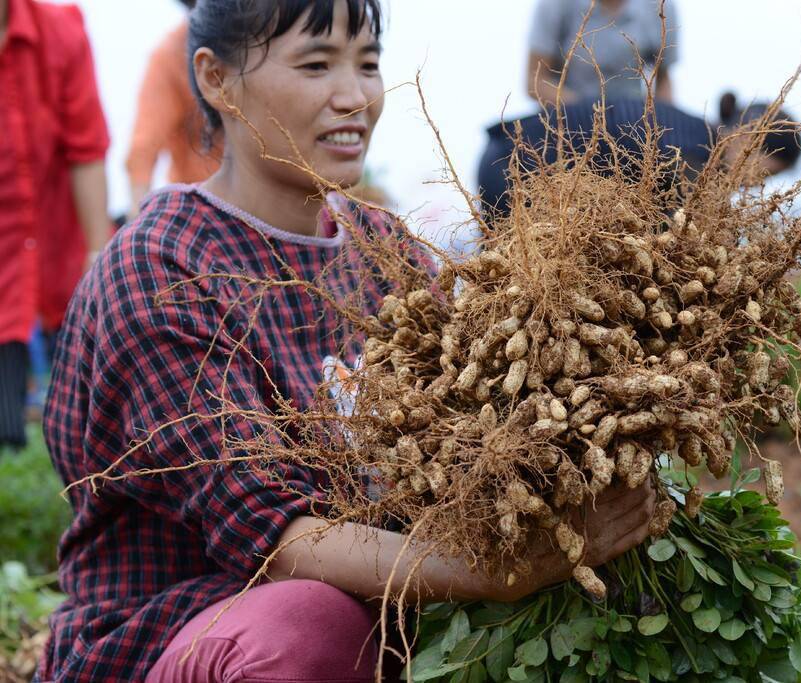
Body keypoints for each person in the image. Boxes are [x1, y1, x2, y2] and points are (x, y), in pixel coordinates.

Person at [38, 1, 657, 681]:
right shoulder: (164, 268)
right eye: (316, 64)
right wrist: (503, 571)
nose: (354, 96)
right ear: (216, 79)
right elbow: (279, 539)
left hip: (384, 619)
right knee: (309, 624)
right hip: (183, 630)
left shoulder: (385, 250)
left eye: (366, 63)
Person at [0, 0, 110, 450]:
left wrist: (97, 256)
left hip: (55, 259)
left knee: (82, 430)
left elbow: (86, 149)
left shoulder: (60, 32)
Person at [477, 93, 801, 219]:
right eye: (764, 174)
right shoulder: (690, 157)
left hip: (506, 156)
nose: (754, 186)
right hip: (512, 166)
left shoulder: (695, 136)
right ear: (746, 138)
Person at [125, 0, 222, 216]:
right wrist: (137, 222)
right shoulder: (170, 56)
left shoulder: (271, 40)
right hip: (200, 209)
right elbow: (144, 148)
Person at [527, 0, 680, 106]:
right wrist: (588, 111)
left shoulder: (659, 7)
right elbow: (535, 80)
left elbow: (664, 81)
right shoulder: (556, 5)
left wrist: (659, 124)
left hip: (632, 123)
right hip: (568, 120)